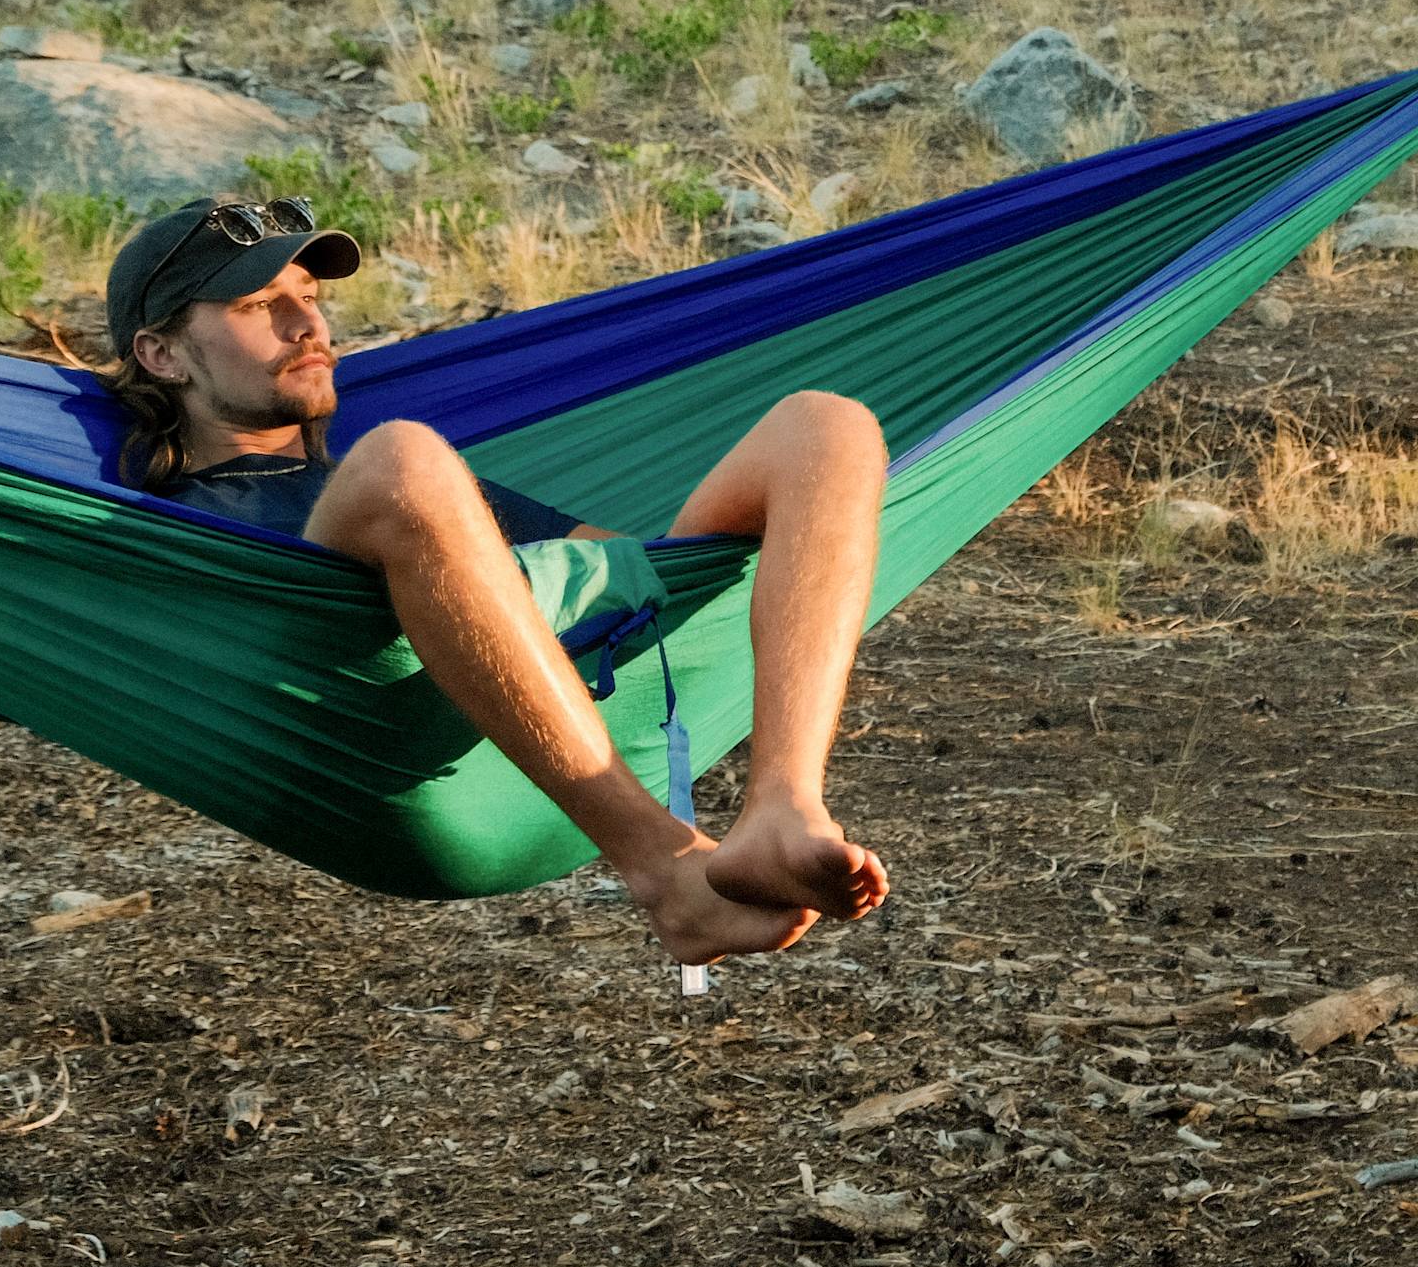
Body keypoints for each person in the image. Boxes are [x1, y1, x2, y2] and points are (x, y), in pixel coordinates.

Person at [101, 197, 890, 965]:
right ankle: (664, 868)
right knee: (402, 458)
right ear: (162, 355)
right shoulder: (169, 524)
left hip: (561, 728)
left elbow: (649, 575)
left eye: (307, 297)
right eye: (256, 304)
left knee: (825, 426)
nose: (307, 324)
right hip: (397, 773)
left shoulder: (424, 492)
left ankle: (784, 807)